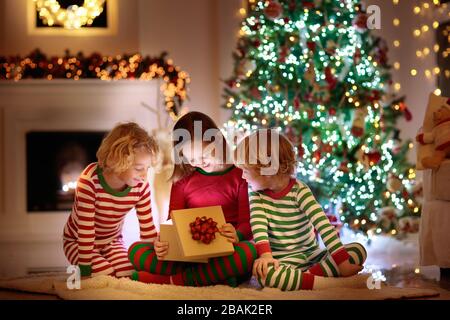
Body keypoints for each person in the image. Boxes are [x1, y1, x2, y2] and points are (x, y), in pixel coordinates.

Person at [128, 112, 257, 286]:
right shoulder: (183, 178)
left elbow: (247, 223)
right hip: (189, 253)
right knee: (136, 250)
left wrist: (237, 234)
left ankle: (174, 280)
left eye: (204, 155)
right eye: (192, 159)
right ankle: (214, 276)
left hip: (226, 250)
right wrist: (163, 241)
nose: (199, 162)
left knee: (249, 252)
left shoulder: (240, 176)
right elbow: (172, 220)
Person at [236, 129, 367, 290]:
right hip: (284, 262)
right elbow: (258, 226)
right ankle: (331, 284)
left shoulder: (300, 191)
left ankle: (305, 280)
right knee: (266, 274)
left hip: (313, 256)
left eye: (246, 170)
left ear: (267, 170)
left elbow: (323, 225)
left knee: (357, 250)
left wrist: (343, 263)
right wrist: (266, 256)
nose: (242, 176)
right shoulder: (255, 194)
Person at [63, 122, 159, 278]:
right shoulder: (89, 181)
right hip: (78, 242)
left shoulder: (141, 186)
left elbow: (147, 229)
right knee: (105, 274)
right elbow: (85, 231)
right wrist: (85, 271)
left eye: (147, 169)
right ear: (117, 161)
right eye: (139, 168)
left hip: (112, 241)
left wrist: (154, 260)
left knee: (128, 274)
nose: (144, 176)